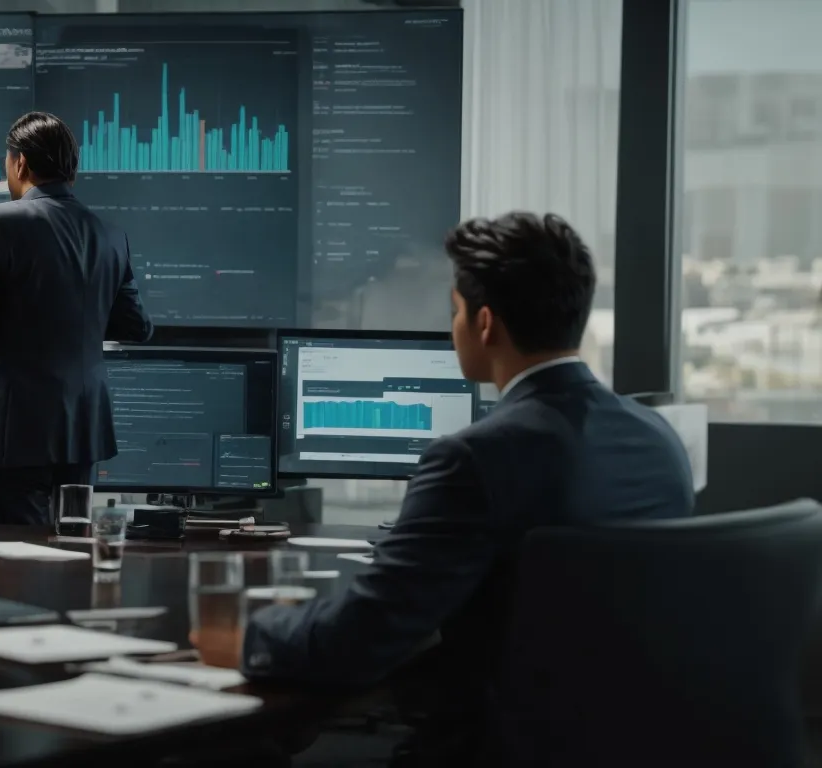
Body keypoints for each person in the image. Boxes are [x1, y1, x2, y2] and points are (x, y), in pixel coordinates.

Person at [196, 213, 695, 764]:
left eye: (454, 312)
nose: (452, 326)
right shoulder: (658, 437)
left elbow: (363, 637)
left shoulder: (473, 459)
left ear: (484, 323)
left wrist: (247, 637)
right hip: (626, 738)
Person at [0, 111, 153, 525]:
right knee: (70, 550)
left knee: (15, 562)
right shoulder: (110, 233)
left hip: (12, 429)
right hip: (81, 428)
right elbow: (135, 326)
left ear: (20, 163)